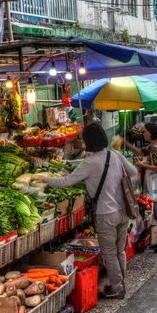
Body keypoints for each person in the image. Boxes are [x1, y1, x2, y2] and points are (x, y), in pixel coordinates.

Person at [47, 123, 138, 300]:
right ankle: (118, 283)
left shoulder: (89, 163)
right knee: (119, 251)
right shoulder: (116, 155)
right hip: (124, 210)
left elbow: (66, 182)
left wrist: (45, 180)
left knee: (109, 253)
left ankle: (117, 288)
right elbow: (133, 171)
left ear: (88, 141)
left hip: (106, 214)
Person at [122, 123, 157, 255]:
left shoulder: (156, 147)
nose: (143, 134)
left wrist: (142, 164)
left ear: (151, 133)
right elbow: (141, 152)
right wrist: (125, 143)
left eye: (145, 132)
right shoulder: (154, 146)